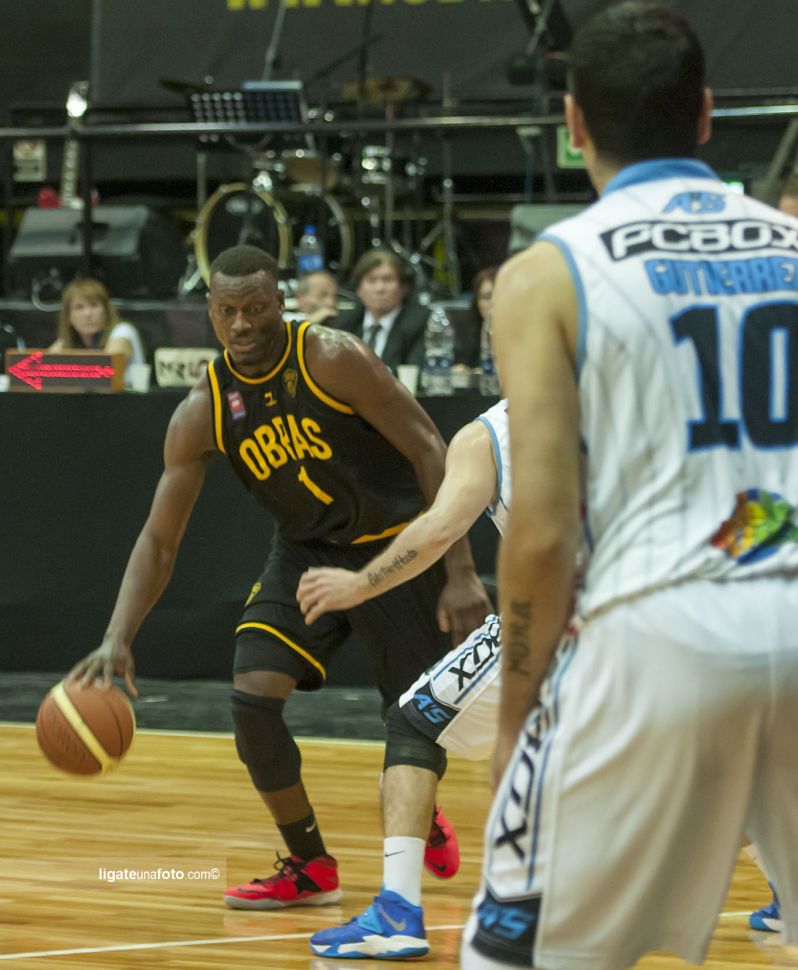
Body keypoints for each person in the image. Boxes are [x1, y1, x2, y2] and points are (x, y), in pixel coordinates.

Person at [462, 4, 798, 969]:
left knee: (514, 957)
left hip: (661, 631)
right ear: (706, 112)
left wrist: (517, 722)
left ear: (573, 124)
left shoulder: (544, 274)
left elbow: (542, 530)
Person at [68, 244, 489, 912]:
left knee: (411, 724)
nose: (242, 324)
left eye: (256, 308)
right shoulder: (203, 409)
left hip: (396, 550)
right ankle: (309, 864)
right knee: (252, 702)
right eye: (228, 311)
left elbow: (428, 447)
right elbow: (159, 538)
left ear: (280, 304)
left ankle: (418, 804)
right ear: (210, 313)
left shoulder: (332, 358)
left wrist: (459, 569)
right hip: (306, 555)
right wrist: (118, 635)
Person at [299, 399, 510, 959]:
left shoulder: (492, 435)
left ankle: (397, 913)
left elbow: (439, 529)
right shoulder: (635, 406)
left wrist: (359, 584)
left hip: (562, 624)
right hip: (666, 626)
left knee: (414, 724)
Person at [334, 248, 430, 372]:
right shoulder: (345, 324)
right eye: (371, 280)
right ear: (358, 289)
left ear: (403, 288)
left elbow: (414, 372)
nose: (379, 288)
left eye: (387, 280)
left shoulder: (419, 324)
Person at [49, 277, 147, 386]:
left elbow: (105, 369)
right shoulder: (65, 342)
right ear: (68, 317)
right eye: (79, 307)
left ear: (106, 311)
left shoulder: (122, 331)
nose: (87, 314)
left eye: (94, 305)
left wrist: (63, 364)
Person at [454, 266, 498, 370]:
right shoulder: (464, 331)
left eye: (499, 295)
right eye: (487, 297)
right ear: (477, 303)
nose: (493, 302)